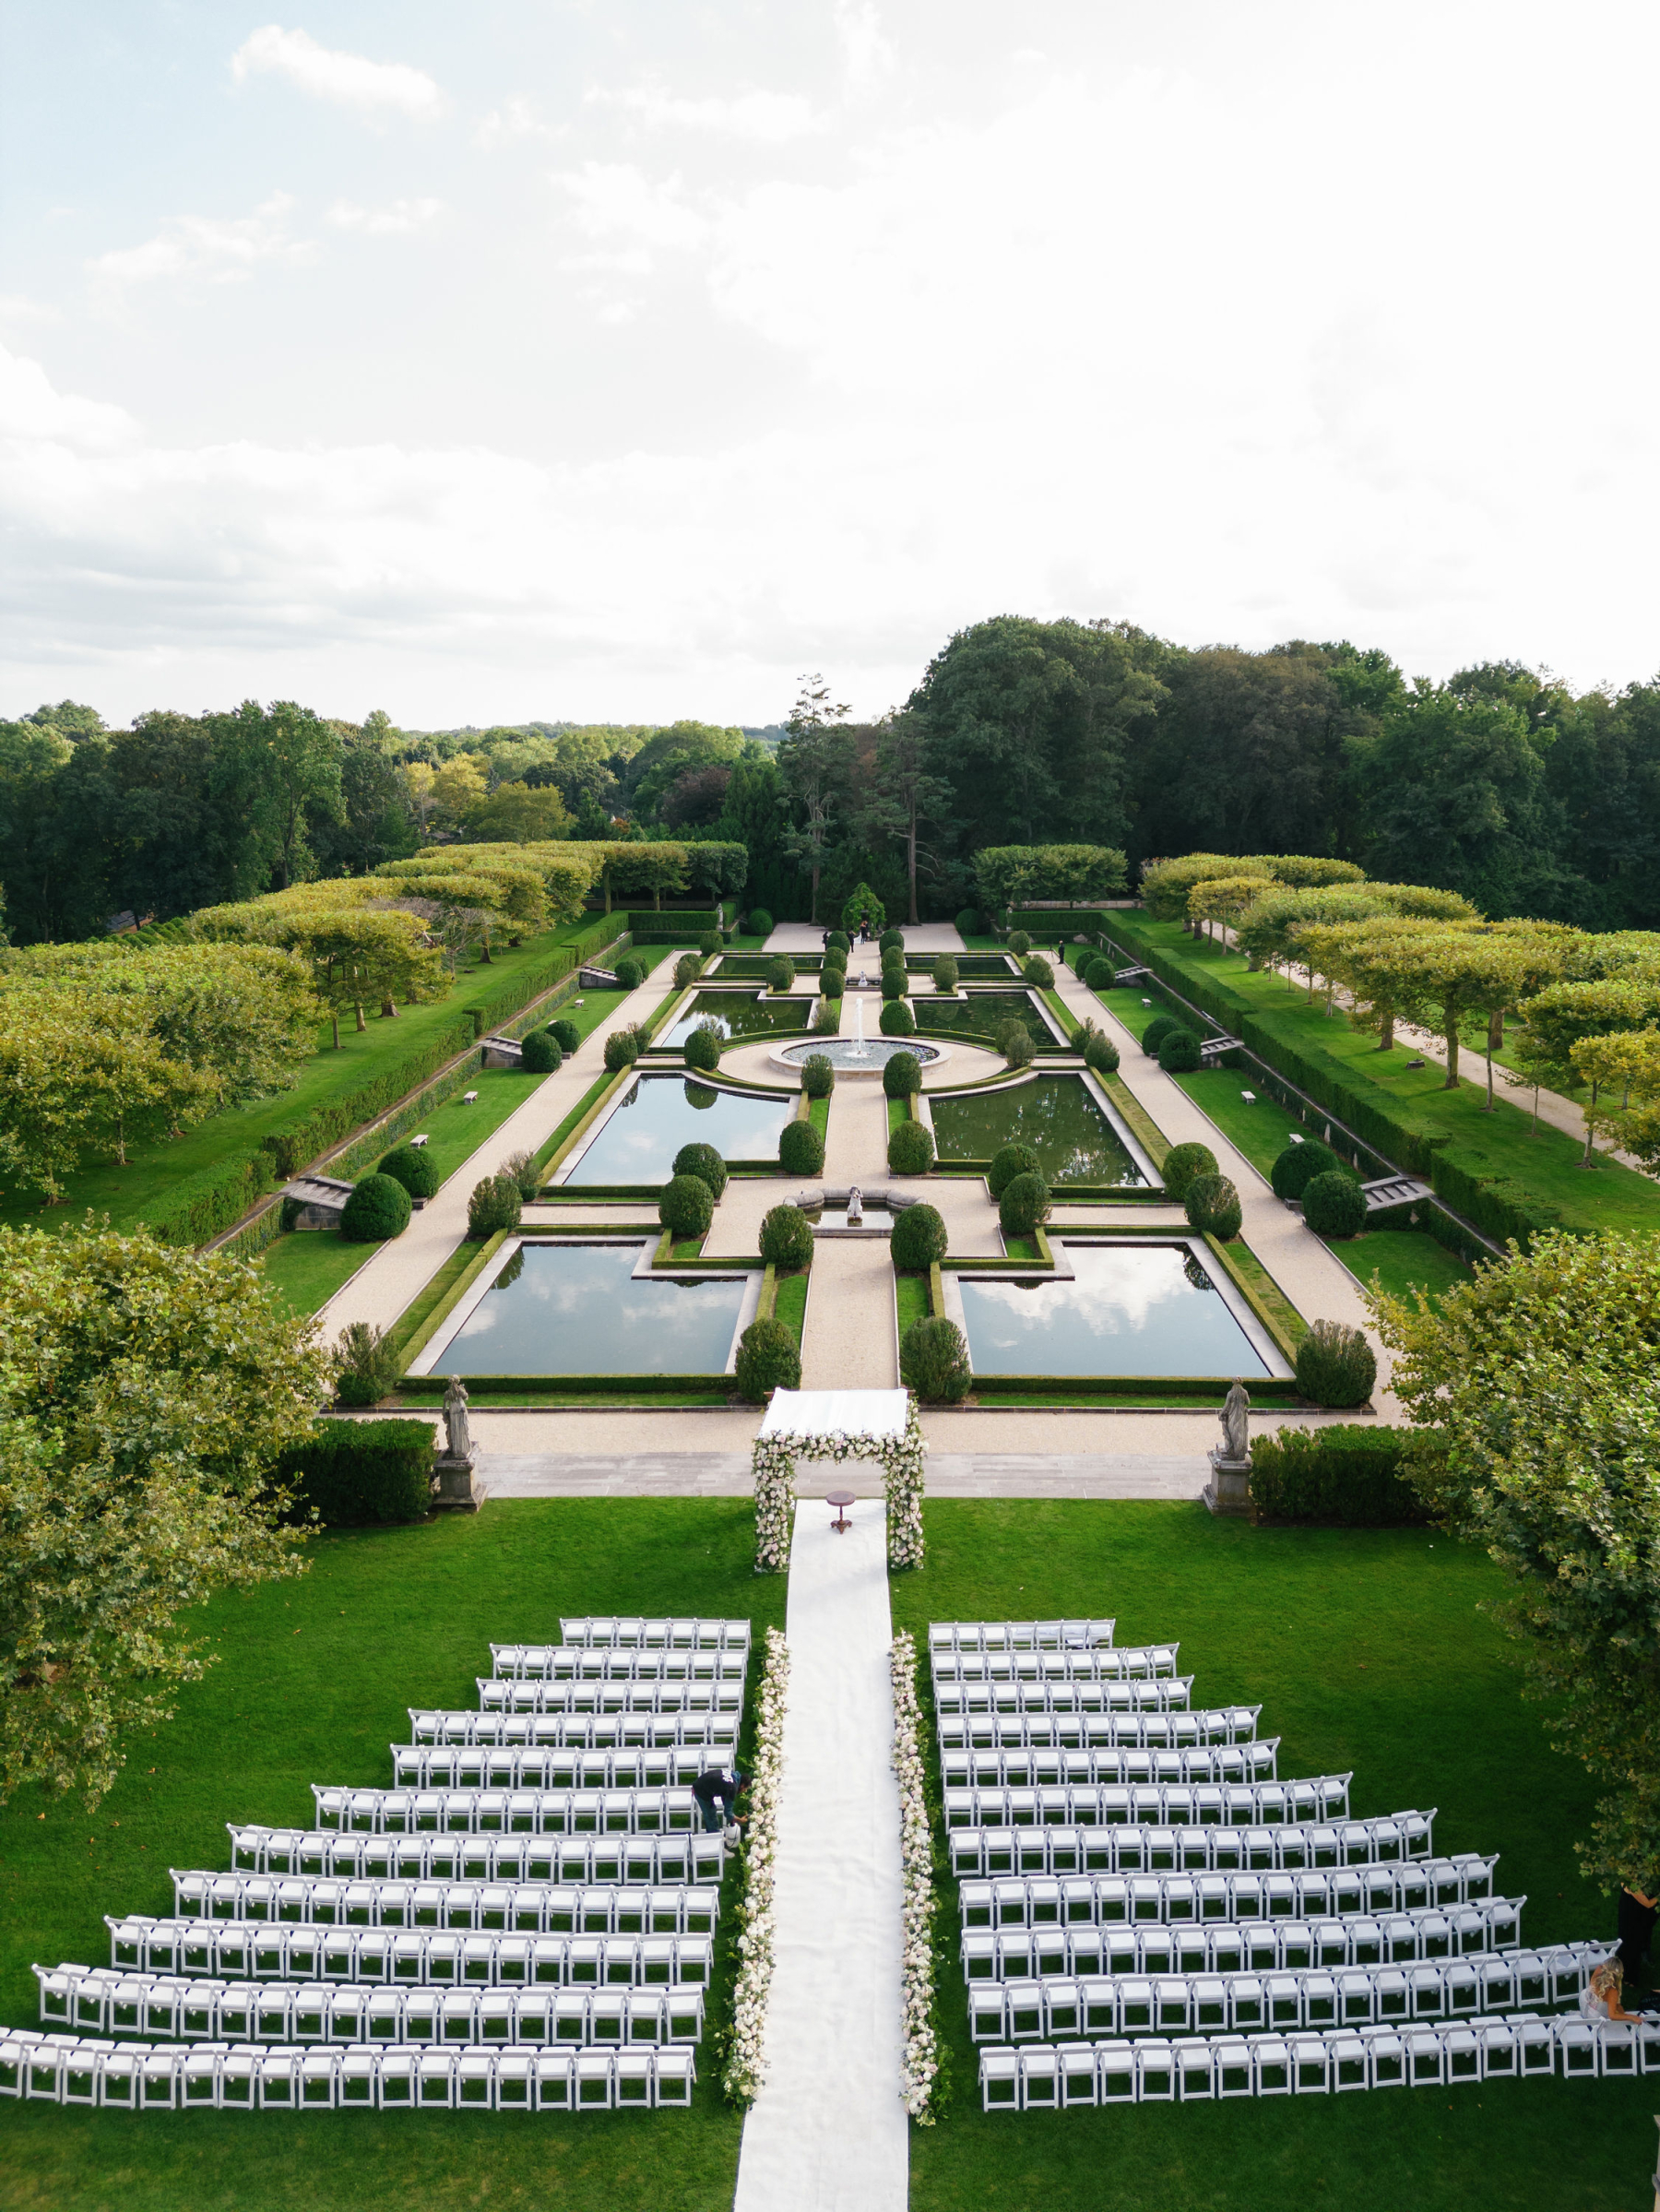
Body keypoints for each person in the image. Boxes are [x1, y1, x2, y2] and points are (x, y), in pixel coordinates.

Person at [1581, 1957, 1648, 2025]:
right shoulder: (1612, 1990)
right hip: (1594, 2016)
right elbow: (1612, 2016)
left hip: (1584, 1998)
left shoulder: (1599, 1968)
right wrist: (1632, 2017)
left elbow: (1592, 1985)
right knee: (1613, 2016)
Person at [1618, 1883, 1659, 1991]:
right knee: (1630, 1947)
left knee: (1634, 1946)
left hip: (1637, 1916)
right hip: (1630, 1920)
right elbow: (1648, 1903)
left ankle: (1629, 1976)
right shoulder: (1630, 1884)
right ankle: (1627, 1978)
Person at [692, 1763, 749, 1836]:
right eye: (745, 1789)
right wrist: (740, 1820)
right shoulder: (732, 1788)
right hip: (701, 1791)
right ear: (743, 1785)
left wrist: (732, 1817)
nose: (745, 1791)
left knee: (712, 1812)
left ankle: (713, 1835)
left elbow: (724, 1793)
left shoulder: (733, 1775)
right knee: (711, 1817)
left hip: (701, 1783)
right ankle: (713, 1838)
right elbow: (727, 1813)